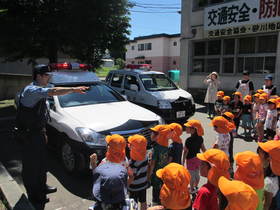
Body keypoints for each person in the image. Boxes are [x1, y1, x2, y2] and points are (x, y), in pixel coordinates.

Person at [15, 64, 89, 209]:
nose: (49, 78)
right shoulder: (32, 90)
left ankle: (42, 187)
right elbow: (54, 91)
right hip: (28, 136)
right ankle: (34, 196)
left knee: (42, 163)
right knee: (32, 167)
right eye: (47, 75)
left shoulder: (38, 90)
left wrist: (43, 132)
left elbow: (41, 114)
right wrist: (73, 89)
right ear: (39, 76)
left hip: (38, 133)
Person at [148, 125, 171, 205]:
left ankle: (155, 204)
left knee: (156, 193)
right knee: (162, 191)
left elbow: (152, 164)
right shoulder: (166, 146)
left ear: (160, 136)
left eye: (155, 133)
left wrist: (149, 175)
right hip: (163, 173)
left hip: (156, 175)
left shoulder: (156, 148)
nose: (152, 134)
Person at [182, 120, 206, 194]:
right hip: (198, 158)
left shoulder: (188, 140)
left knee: (191, 175)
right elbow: (203, 148)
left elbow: (185, 151)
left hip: (190, 160)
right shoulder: (200, 138)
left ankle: (191, 189)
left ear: (193, 129)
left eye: (187, 127)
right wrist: (206, 156)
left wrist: (182, 161)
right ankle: (196, 186)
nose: (186, 128)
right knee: (197, 173)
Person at [127, 135, 149, 210]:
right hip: (143, 184)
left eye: (130, 144)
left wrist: (126, 185)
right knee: (143, 201)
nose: (128, 145)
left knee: (133, 203)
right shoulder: (146, 156)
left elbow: (132, 176)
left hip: (134, 187)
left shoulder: (132, 162)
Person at [258, 141, 280, 210]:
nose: (258, 158)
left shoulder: (269, 182)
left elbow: (265, 206)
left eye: (260, 156)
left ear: (268, 160)